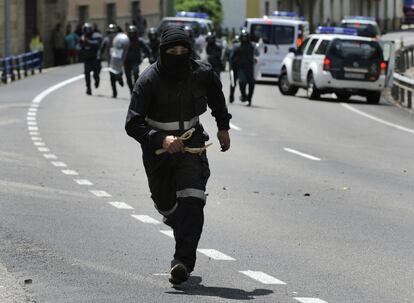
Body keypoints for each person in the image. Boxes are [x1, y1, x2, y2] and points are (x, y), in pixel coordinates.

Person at [125, 27, 231, 285]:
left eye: (183, 51)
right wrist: (161, 138)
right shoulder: (148, 79)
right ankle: (180, 224)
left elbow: (217, 96)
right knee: (167, 205)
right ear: (163, 52)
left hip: (192, 142)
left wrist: (223, 127)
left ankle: (182, 262)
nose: (178, 55)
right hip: (159, 150)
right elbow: (132, 123)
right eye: (173, 51)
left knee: (193, 200)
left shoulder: (201, 72)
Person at [229, 29, 258, 106]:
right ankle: (243, 95)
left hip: (250, 68)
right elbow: (231, 57)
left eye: (246, 37)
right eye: (243, 37)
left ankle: (249, 98)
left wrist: (256, 58)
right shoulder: (236, 46)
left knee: (252, 83)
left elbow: (258, 54)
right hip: (240, 67)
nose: (244, 39)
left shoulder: (253, 46)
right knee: (242, 82)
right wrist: (232, 66)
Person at [124, 25, 151, 94]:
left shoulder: (139, 40)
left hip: (135, 61)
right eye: (130, 33)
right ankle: (131, 89)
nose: (132, 34)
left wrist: (150, 56)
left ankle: (136, 89)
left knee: (136, 73)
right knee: (128, 77)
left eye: (133, 33)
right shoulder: (125, 41)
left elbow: (146, 49)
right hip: (126, 61)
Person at [79, 23, 102, 95]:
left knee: (96, 73)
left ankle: (97, 79)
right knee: (87, 74)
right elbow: (79, 46)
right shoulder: (82, 37)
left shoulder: (96, 36)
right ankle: (88, 88)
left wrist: (88, 42)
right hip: (87, 59)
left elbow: (97, 44)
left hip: (95, 58)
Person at [228, 35, 239, 103]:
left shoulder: (239, 49)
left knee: (238, 83)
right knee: (233, 83)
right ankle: (231, 96)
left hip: (238, 68)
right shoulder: (229, 49)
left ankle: (232, 96)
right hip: (232, 69)